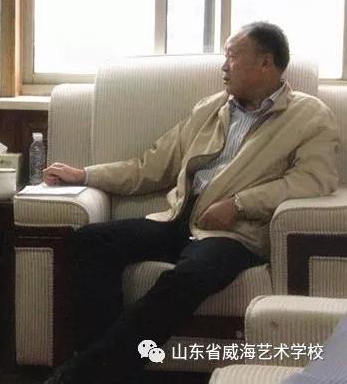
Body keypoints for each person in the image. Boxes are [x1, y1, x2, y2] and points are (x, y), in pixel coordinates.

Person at [42, 22, 340, 384]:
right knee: (90, 242)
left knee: (187, 277)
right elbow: (150, 166)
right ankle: (106, 370)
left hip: (235, 233)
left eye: (232, 57)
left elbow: (313, 180)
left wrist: (240, 204)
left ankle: (84, 375)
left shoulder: (309, 115)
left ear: (265, 63)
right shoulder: (211, 109)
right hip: (178, 218)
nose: (224, 67)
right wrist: (85, 175)